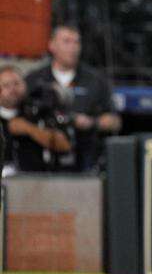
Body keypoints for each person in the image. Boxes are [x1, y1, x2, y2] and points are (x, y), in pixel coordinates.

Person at [25, 25, 120, 171]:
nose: (73, 47)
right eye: (67, 41)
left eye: (77, 42)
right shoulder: (34, 79)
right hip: (40, 163)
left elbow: (115, 122)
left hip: (85, 162)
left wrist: (91, 123)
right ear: (52, 45)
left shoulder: (95, 80)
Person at [0, 64, 72, 174]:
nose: (13, 89)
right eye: (6, 85)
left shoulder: (39, 111)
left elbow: (65, 145)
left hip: (37, 180)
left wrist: (29, 129)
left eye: (17, 83)